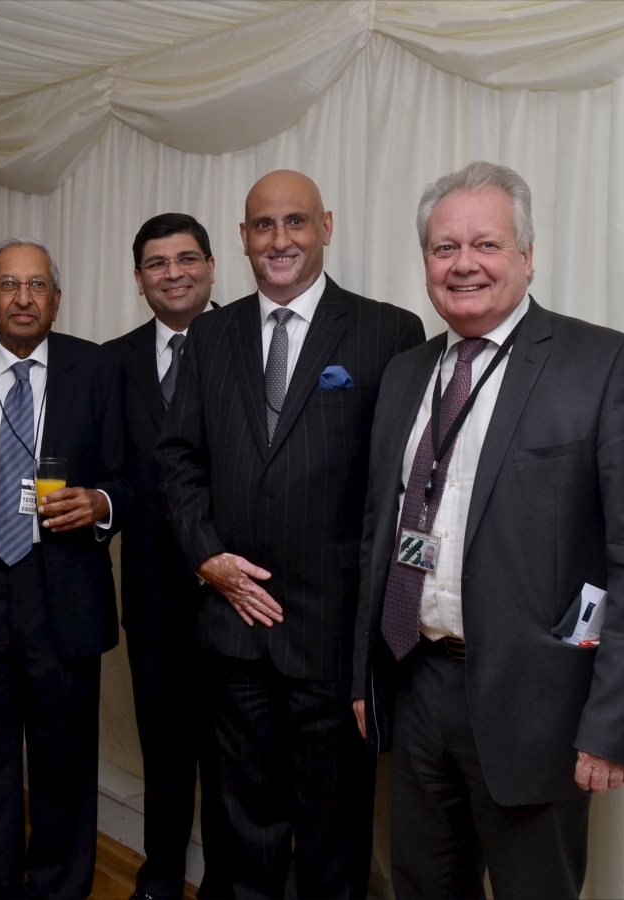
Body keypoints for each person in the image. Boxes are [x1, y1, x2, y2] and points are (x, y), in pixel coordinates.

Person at [351, 161, 624, 899]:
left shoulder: (605, 365)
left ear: (527, 254)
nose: (463, 264)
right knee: (423, 884)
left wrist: (615, 722)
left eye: (486, 243)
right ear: (425, 262)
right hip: (416, 682)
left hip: (535, 702)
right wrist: (363, 674)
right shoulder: (405, 373)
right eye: (444, 248)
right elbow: (377, 534)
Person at [157, 171, 425, 899]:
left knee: (334, 823)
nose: (280, 241)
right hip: (232, 624)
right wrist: (207, 555)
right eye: (263, 226)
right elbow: (178, 460)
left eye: (295, 223)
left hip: (333, 633)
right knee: (244, 819)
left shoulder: (387, 331)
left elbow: (396, 486)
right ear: (242, 238)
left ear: (326, 227)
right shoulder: (208, 334)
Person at [0, 237, 131, 899]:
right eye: (9, 285)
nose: (23, 298)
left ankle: (61, 887)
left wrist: (99, 501)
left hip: (60, 576)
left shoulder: (96, 371)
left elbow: (131, 475)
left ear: (56, 299)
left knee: (64, 753)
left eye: (36, 285)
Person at [104, 213, 232, 900]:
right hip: (152, 594)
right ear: (139, 278)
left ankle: (224, 880)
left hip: (236, 591)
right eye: (157, 263)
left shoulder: (250, 344)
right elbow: (110, 477)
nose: (174, 272)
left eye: (187, 259)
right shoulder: (112, 360)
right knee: (164, 750)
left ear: (212, 267)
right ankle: (160, 875)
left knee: (231, 752)